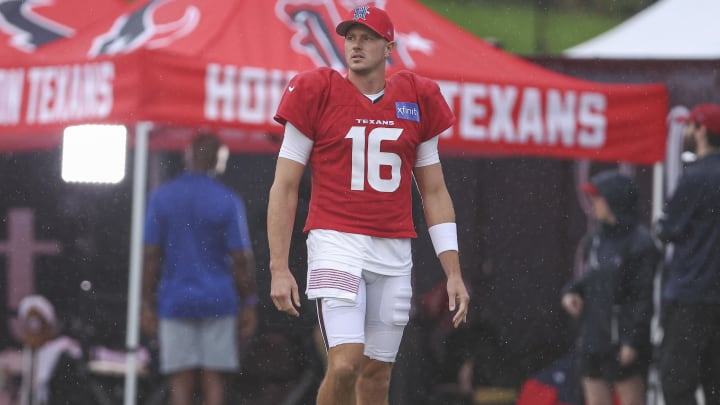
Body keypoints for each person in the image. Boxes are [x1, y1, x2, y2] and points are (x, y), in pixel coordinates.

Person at [267, 5, 470, 405]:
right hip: (336, 243)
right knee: (344, 364)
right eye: (350, 37)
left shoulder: (416, 96)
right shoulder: (317, 90)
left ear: (388, 46)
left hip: (394, 250)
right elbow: (284, 185)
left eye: (367, 38)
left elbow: (434, 191)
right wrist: (278, 266)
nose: (356, 45)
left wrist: (454, 272)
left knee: (376, 378)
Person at [141, 133, 257, 405]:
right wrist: (249, 301)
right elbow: (241, 258)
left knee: (180, 381)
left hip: (175, 299)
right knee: (213, 380)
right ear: (219, 161)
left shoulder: (162, 198)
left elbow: (150, 255)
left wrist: (146, 302)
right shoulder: (227, 200)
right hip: (218, 299)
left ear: (187, 154)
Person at [561, 170, 661, 405]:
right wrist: (570, 292)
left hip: (622, 340)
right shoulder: (595, 239)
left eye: (598, 198)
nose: (593, 204)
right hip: (593, 336)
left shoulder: (642, 244)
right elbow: (589, 278)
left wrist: (632, 340)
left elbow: (643, 297)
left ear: (615, 200)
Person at [656, 103, 720, 405]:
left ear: (702, 131)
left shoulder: (695, 176)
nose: (689, 133)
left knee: (676, 381)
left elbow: (666, 230)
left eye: (692, 127)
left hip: (691, 297)